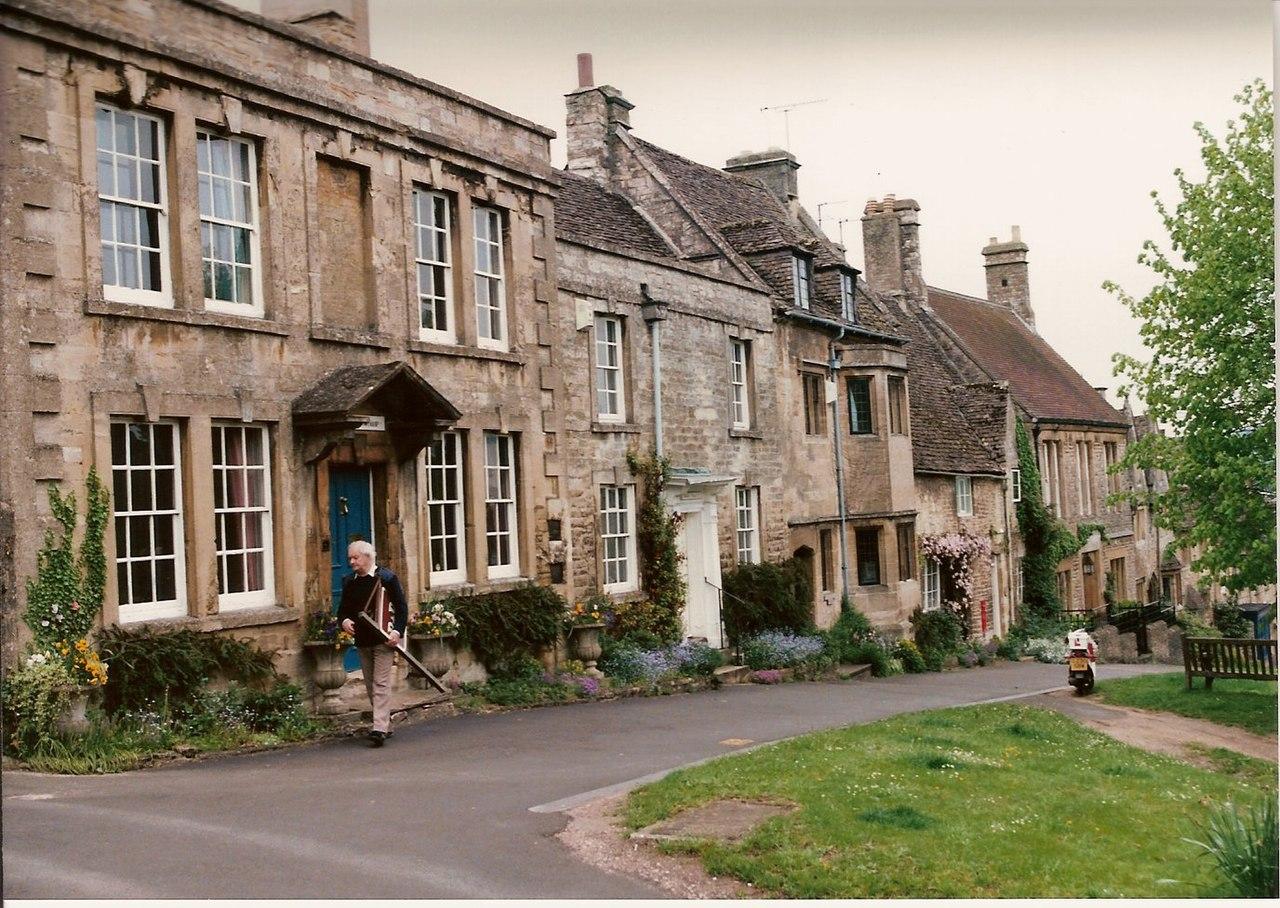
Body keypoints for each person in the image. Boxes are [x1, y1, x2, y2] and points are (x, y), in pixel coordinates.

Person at [337, 540, 408, 747]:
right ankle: (385, 724)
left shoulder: (387, 578)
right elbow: (343, 609)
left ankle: (379, 729)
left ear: (367, 557)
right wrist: (344, 621)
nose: (351, 562)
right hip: (362, 640)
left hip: (384, 639)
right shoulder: (349, 581)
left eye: (355, 557)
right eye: (350, 558)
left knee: (380, 683)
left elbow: (401, 607)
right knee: (370, 685)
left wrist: (397, 631)